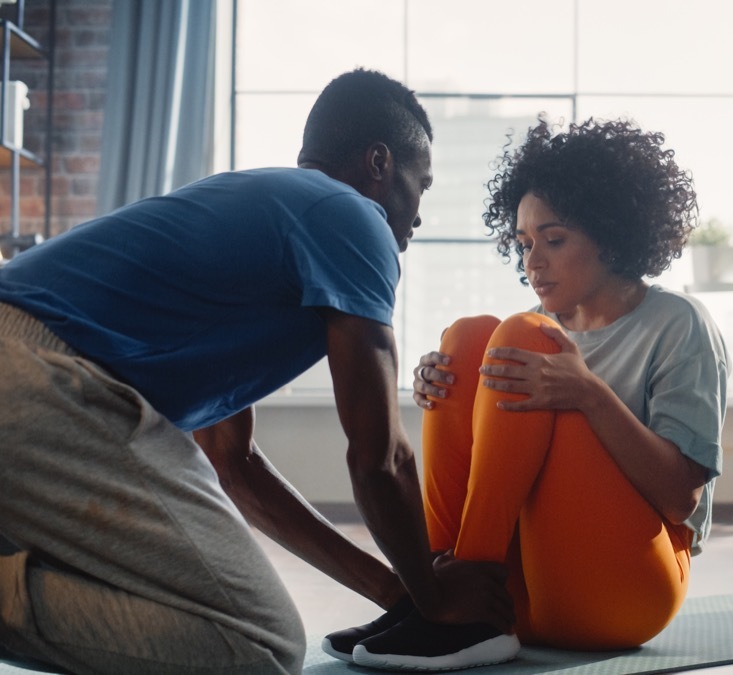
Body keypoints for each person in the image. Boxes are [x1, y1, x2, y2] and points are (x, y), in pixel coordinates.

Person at [0, 68, 511, 675]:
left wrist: (400, 595)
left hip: (33, 374)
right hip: (41, 374)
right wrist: (435, 596)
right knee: (262, 646)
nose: (418, 216)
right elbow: (380, 458)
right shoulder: (354, 218)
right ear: (379, 162)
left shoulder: (259, 212)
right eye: (419, 185)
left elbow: (235, 463)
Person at [325, 116, 728, 670]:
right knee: (467, 338)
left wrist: (589, 392)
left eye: (553, 240)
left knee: (521, 337)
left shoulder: (677, 324)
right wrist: (448, 390)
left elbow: (682, 498)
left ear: (610, 236)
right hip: (520, 595)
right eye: (523, 243)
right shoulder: (535, 328)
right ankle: (435, 594)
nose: (532, 261)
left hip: (627, 594)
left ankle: (461, 609)